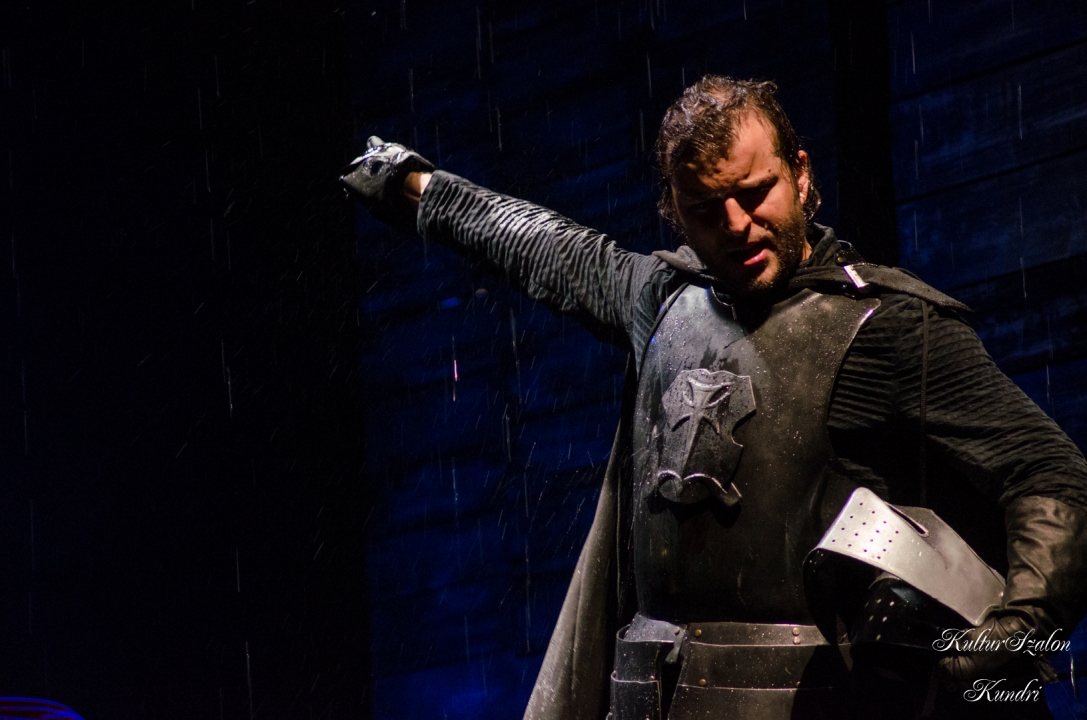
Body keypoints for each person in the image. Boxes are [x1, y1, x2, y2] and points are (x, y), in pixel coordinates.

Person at [343, 76, 1087, 720]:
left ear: (800, 175)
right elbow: (548, 247)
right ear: (674, 208)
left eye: (755, 193)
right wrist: (419, 189)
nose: (737, 226)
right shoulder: (660, 301)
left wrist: (1016, 632)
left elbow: (1051, 474)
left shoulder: (889, 328)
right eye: (706, 208)